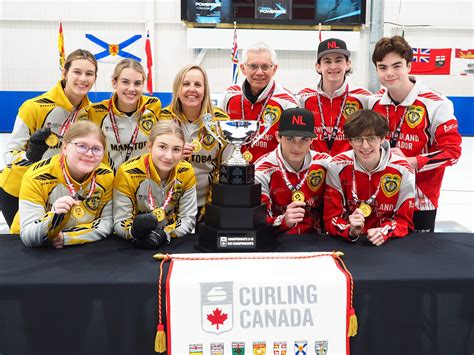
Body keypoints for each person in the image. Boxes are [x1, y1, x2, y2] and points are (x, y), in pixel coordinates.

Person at [369, 36, 462, 232]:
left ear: (409, 66)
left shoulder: (436, 103)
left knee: (418, 259)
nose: (390, 73)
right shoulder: (373, 102)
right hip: (382, 196)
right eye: (383, 67)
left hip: (421, 198)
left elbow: (452, 153)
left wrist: (412, 161)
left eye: (397, 66)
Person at [0, 49, 98, 227]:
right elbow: (8, 155)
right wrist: (29, 157)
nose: (83, 79)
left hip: (60, 190)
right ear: (65, 73)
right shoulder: (33, 108)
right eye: (77, 72)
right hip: (20, 189)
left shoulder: (90, 113)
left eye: (89, 74)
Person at [11, 121, 114, 248]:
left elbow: (107, 222)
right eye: (81, 146)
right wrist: (54, 217)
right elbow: (29, 236)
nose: (89, 154)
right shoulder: (36, 176)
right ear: (64, 148)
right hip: (28, 247)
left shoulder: (106, 175)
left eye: (96, 149)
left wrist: (68, 237)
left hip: (80, 246)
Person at [324, 109, 415, 246]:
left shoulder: (403, 168)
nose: (365, 146)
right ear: (349, 140)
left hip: (387, 242)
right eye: (358, 139)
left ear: (383, 138)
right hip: (348, 242)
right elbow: (331, 218)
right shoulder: (337, 165)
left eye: (371, 138)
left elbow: (405, 221)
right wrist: (350, 230)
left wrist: (385, 232)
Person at [113, 120, 197, 249]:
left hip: (172, 242)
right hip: (134, 245)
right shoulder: (127, 172)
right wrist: (134, 232)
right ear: (149, 146)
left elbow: (188, 218)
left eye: (176, 149)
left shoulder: (186, 171)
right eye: (162, 147)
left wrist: (164, 234)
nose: (169, 156)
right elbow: (120, 221)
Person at [159, 64, 228, 220]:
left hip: (208, 208)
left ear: (205, 90)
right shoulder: (162, 118)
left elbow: (226, 168)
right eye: (186, 84)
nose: (192, 89)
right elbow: (151, 164)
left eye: (198, 84)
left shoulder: (220, 121)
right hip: (167, 208)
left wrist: (212, 206)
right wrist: (173, 158)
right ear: (177, 88)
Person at [255, 108, 331, 234]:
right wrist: (283, 220)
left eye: (304, 139)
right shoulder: (262, 169)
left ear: (312, 140)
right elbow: (259, 221)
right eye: (290, 139)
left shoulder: (325, 163)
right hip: (276, 239)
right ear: (278, 137)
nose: (296, 147)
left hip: (317, 240)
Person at [221, 42, 298, 163]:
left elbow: (293, 145)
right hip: (232, 170)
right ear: (243, 69)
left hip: (269, 175)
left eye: (265, 67)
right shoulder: (229, 95)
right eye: (253, 66)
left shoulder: (287, 102)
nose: (259, 72)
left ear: (274, 69)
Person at [298, 38, 371, 156]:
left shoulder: (364, 98)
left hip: (350, 168)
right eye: (327, 61)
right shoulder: (302, 97)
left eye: (338, 60)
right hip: (314, 168)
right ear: (318, 67)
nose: (333, 66)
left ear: (348, 64)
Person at [88, 58, 161, 173]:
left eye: (137, 83)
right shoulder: (96, 112)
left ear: (143, 85)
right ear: (114, 83)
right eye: (125, 82)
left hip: (144, 184)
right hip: (110, 184)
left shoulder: (153, 106)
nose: (131, 89)